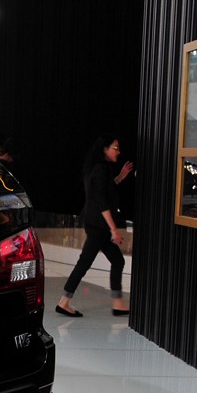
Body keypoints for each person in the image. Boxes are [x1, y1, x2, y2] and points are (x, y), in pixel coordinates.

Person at [56, 134, 135, 317]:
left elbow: (103, 190)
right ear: (105, 149)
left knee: (117, 261)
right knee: (85, 263)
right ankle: (64, 302)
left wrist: (120, 178)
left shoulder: (98, 168)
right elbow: (101, 201)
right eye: (115, 148)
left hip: (96, 224)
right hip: (99, 226)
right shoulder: (101, 169)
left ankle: (117, 303)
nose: (118, 151)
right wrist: (113, 230)